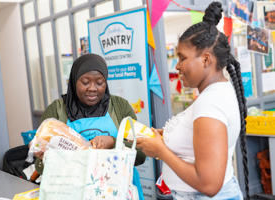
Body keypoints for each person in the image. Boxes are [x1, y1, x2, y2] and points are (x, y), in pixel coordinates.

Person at [137, 2, 249, 200]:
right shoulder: (215, 93)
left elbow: (209, 184)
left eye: (182, 58)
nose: (177, 66)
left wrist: (161, 150)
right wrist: (168, 137)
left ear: (206, 60)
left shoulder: (211, 104)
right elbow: (200, 140)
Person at [35, 53, 145, 199]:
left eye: (99, 82)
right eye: (85, 82)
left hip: (117, 191)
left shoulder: (120, 107)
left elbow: (141, 155)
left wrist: (113, 142)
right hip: (72, 193)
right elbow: (39, 167)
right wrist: (46, 156)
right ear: (73, 81)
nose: (92, 88)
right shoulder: (57, 110)